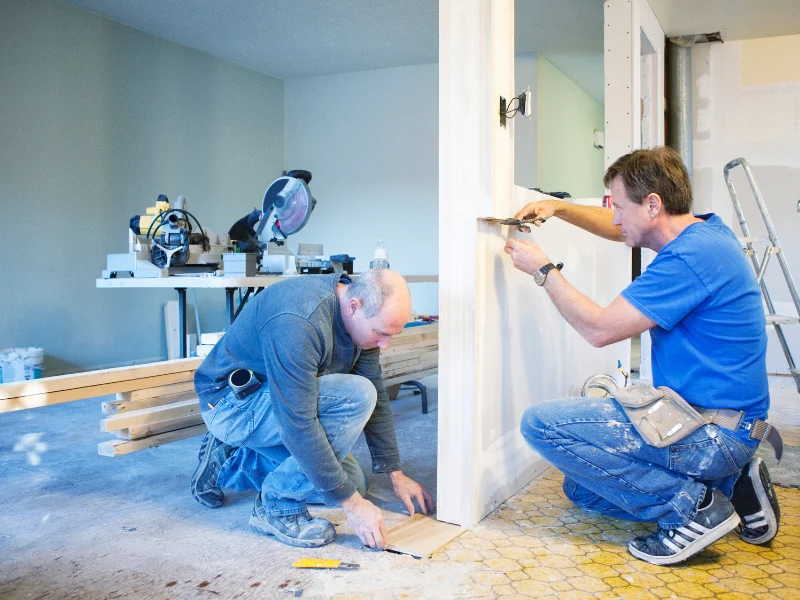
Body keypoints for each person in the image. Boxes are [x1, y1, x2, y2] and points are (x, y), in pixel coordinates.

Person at [504, 146, 780, 565]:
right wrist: (559, 208)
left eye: (619, 206)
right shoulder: (704, 233)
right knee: (580, 488)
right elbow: (624, 229)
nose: (614, 217)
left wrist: (543, 270)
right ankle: (731, 485)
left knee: (540, 425)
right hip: (716, 419)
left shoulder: (689, 259)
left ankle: (694, 508)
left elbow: (599, 329)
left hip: (711, 429)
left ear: (653, 204)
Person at [190, 269, 434, 549]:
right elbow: (297, 422)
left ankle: (232, 459)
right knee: (356, 396)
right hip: (232, 406)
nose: (385, 344)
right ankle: (275, 506)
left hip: (277, 401)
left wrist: (395, 473)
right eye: (380, 333)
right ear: (355, 306)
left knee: (352, 482)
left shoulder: (362, 323)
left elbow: (378, 395)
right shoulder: (298, 319)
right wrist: (353, 506)